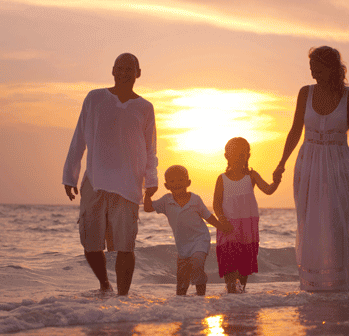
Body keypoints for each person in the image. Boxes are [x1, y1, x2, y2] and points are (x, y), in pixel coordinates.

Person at [62, 53, 158, 296]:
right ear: (112, 71)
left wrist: (151, 182)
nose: (124, 72)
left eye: (130, 68)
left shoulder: (145, 107)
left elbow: (150, 148)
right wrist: (70, 175)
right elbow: (79, 137)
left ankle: (123, 298)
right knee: (91, 245)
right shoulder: (95, 98)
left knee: (126, 246)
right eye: (120, 67)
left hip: (128, 186)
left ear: (138, 73)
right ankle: (104, 284)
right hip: (95, 182)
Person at [274, 46, 349, 292]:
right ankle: (313, 284)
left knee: (338, 223)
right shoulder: (306, 93)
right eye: (311, 70)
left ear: (332, 69)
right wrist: (281, 162)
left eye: (318, 70)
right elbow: (295, 130)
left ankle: (340, 284)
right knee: (309, 222)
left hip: (339, 163)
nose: (313, 75)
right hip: (310, 162)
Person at [144, 165, 231, 296]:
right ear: (167, 185)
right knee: (181, 282)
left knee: (197, 263)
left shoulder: (195, 200)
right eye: (172, 181)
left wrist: (222, 227)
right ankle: (183, 304)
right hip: (182, 245)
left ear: (188, 182)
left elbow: (208, 217)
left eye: (180, 180)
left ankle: (200, 296)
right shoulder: (166, 201)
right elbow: (148, 208)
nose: (177, 183)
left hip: (200, 239)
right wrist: (147, 194)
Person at [213, 137, 280, 293]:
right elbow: (216, 204)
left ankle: (241, 304)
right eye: (234, 154)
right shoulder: (221, 179)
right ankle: (231, 298)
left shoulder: (252, 176)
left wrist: (276, 181)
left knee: (243, 270)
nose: (238, 157)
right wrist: (222, 219)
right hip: (228, 226)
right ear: (226, 156)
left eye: (242, 154)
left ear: (247, 156)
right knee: (230, 266)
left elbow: (268, 190)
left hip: (247, 228)